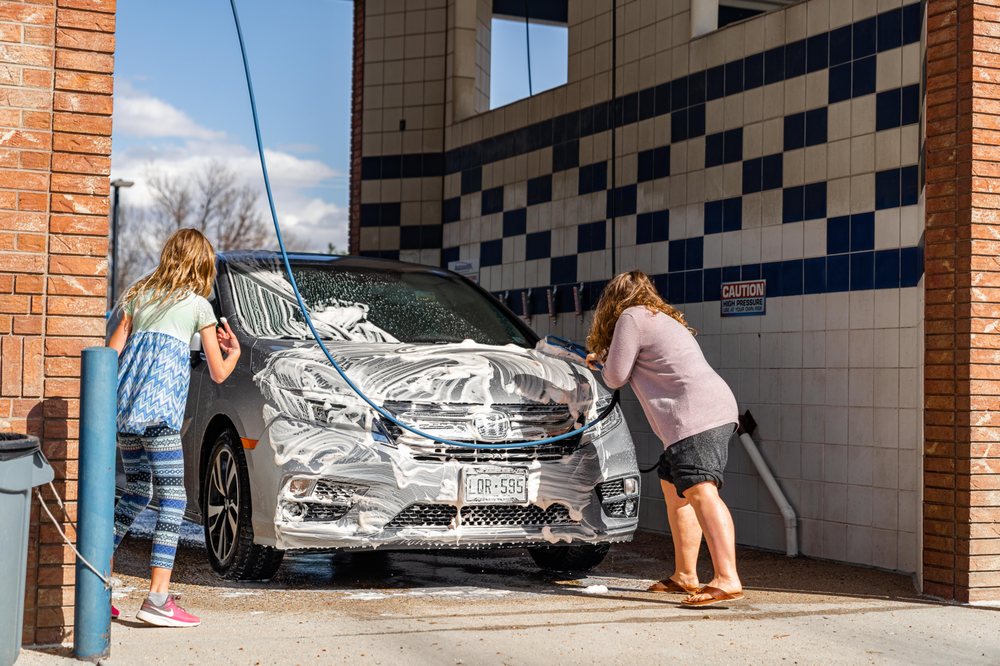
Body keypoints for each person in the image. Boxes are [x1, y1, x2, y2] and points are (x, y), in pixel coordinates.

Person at [106, 228, 241, 627]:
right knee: (174, 501)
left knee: (135, 493)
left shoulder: (137, 294)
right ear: (201, 265)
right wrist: (232, 352)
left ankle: (96, 584)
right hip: (160, 418)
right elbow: (217, 373)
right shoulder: (199, 305)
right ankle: (158, 598)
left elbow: (111, 353)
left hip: (125, 415)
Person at [586, 271, 743, 607]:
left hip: (696, 416)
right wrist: (604, 360)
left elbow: (614, 378)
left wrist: (599, 365)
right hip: (706, 411)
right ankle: (686, 575)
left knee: (702, 491)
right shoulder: (659, 318)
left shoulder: (632, 316)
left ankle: (727, 578)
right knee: (677, 493)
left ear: (613, 301)